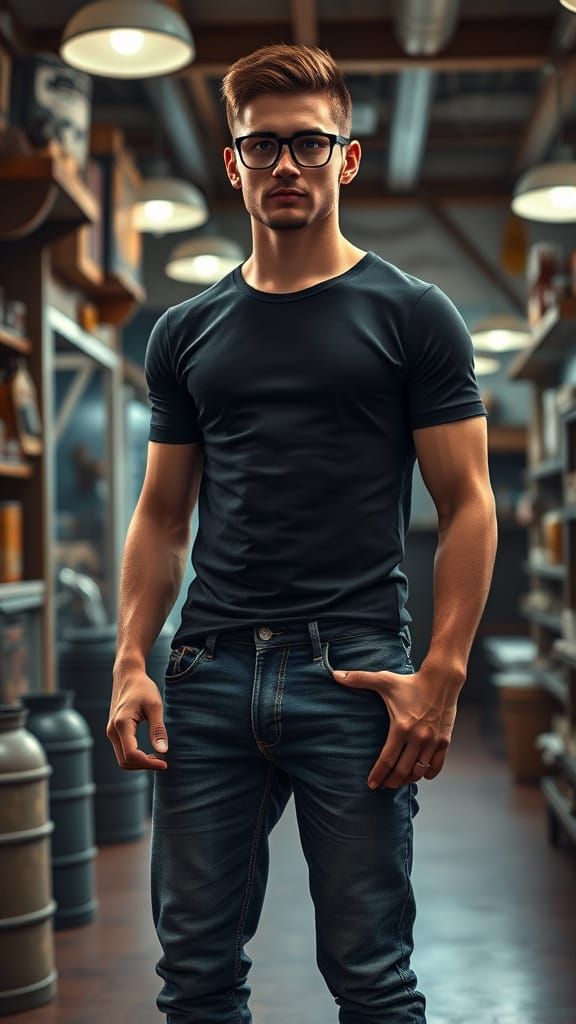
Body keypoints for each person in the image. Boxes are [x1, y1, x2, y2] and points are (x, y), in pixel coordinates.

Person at [107, 42, 498, 1024]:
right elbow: (161, 512)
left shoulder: (414, 316)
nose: (288, 165)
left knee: (372, 980)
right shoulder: (184, 333)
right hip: (208, 675)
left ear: (347, 159)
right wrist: (128, 658)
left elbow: (469, 503)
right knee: (194, 979)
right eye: (264, 146)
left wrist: (443, 673)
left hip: (356, 674)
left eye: (310, 145)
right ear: (231, 162)